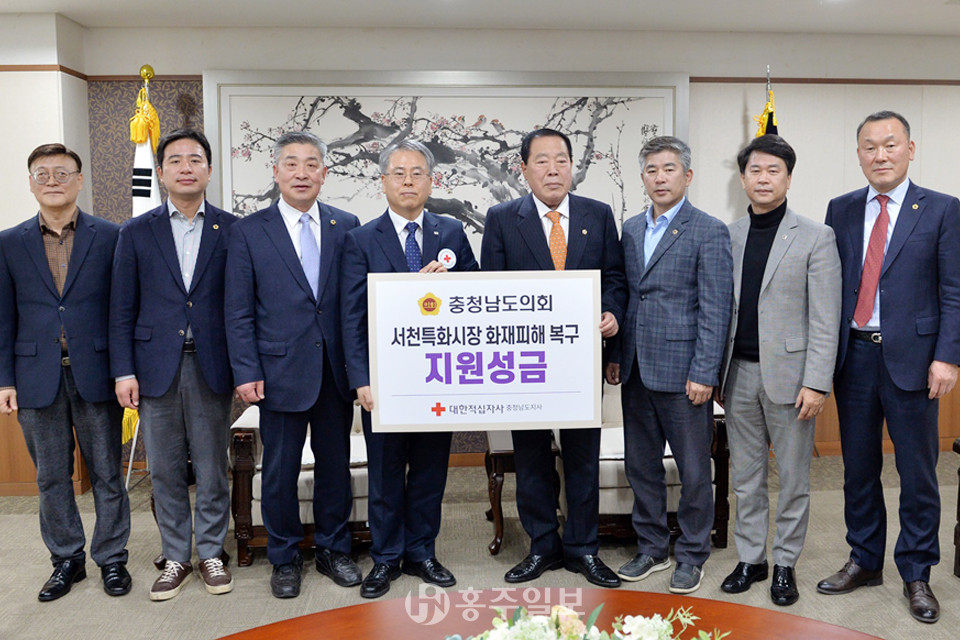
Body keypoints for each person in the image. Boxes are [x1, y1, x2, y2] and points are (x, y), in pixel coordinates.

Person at [817, 111, 960, 624]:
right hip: (853, 357)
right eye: (869, 146)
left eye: (890, 144)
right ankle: (864, 560)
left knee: (917, 473)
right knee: (857, 468)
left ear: (910, 149)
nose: (880, 155)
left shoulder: (942, 209)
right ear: (859, 154)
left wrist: (947, 356)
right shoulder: (840, 209)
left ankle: (917, 572)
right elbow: (831, 285)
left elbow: (954, 290)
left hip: (915, 361)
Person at [481, 128, 627, 589]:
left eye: (561, 160)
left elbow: (615, 278)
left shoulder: (597, 215)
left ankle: (583, 548)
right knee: (531, 459)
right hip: (525, 363)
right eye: (541, 161)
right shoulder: (503, 218)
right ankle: (542, 545)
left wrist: (612, 314)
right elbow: (490, 292)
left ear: (572, 167)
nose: (552, 170)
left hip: (581, 361)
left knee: (583, 458)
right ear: (524, 169)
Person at [225, 131, 361, 599]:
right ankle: (284, 557)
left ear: (324, 173)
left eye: (311, 164)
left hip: (335, 371)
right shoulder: (248, 231)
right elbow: (237, 310)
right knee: (280, 471)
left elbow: (355, 302)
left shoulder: (347, 225)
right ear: (276, 171)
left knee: (334, 466)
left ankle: (333, 549)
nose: (301, 173)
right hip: (277, 373)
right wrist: (246, 370)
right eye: (291, 164)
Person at [340, 139, 478, 599]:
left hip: (437, 377)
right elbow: (351, 316)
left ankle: (421, 552)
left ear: (431, 181)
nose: (408, 181)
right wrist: (360, 379)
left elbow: (478, 294)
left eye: (418, 173)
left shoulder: (450, 232)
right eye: (398, 173)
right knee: (384, 473)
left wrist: (452, 286)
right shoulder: (360, 239)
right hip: (384, 382)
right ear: (383, 181)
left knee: (429, 471)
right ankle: (385, 558)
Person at [0, 143, 131, 601]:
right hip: (35, 376)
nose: (52, 180)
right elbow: (3, 318)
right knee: (51, 477)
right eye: (42, 173)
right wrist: (4, 379)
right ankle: (67, 560)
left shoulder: (111, 236)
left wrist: (124, 370)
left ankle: (112, 558)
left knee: (107, 473)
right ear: (30, 182)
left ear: (79, 180)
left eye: (62, 172)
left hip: (97, 371)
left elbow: (121, 311)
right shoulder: (8, 242)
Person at [110, 129, 237, 600]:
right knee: (163, 468)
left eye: (195, 159)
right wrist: (124, 371)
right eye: (176, 160)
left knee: (211, 464)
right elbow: (121, 308)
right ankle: (176, 555)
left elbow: (241, 304)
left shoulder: (232, 229)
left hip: (212, 364)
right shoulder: (135, 231)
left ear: (209, 170)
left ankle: (210, 551)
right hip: (153, 367)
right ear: (161, 172)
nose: (186, 167)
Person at [605, 135, 732, 594]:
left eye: (669, 169)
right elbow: (627, 296)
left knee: (694, 471)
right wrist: (616, 356)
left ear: (688, 175)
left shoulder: (708, 230)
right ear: (643, 177)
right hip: (636, 369)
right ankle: (653, 547)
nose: (660, 178)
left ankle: (692, 554)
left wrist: (705, 372)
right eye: (652, 170)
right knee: (642, 467)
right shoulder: (631, 228)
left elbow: (716, 308)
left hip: (684, 374)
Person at [717, 135, 840, 606]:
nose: (764, 179)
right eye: (756, 171)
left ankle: (785, 563)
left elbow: (825, 317)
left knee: (792, 480)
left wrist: (817, 382)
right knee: (746, 478)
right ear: (742, 178)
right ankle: (752, 558)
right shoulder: (728, 235)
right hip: (738, 375)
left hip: (793, 379)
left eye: (774, 171)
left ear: (788, 178)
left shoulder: (816, 236)